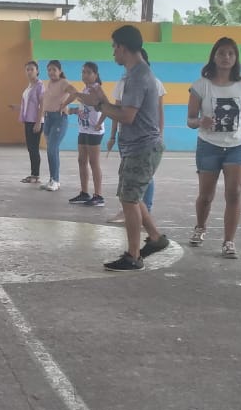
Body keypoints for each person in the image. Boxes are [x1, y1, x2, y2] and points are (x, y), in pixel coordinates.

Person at [77, 25, 171, 271]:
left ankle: (133, 255)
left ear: (122, 47)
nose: (113, 53)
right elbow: (123, 110)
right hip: (138, 147)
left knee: (129, 200)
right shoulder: (136, 74)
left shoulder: (138, 76)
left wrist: (99, 104)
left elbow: (127, 116)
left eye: (114, 47)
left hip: (142, 147)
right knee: (132, 196)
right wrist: (102, 102)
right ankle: (155, 238)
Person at [188, 37, 241, 259]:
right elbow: (190, 119)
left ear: (236, 58)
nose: (226, 57)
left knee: (234, 192)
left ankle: (229, 241)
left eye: (231, 53)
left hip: (236, 146)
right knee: (206, 195)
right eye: (221, 53)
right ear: (214, 56)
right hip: (208, 146)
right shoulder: (201, 85)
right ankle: (200, 227)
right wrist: (200, 121)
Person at [106, 49, 165, 222]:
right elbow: (116, 109)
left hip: (145, 140)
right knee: (128, 180)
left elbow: (159, 111)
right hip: (126, 138)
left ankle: (146, 211)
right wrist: (112, 136)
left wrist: (160, 134)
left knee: (144, 178)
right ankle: (132, 214)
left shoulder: (152, 81)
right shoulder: (123, 82)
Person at [67, 62, 106, 207]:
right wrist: (73, 111)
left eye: (89, 72)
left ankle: (99, 195)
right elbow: (86, 108)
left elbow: (101, 104)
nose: (85, 75)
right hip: (83, 129)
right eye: (83, 72)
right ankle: (84, 193)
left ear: (95, 75)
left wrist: (99, 122)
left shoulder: (97, 89)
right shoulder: (85, 88)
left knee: (93, 162)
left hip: (94, 131)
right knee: (81, 160)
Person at [39, 60, 77, 191]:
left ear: (60, 71)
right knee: (52, 150)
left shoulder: (63, 82)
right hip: (48, 118)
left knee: (52, 149)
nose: (51, 72)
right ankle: (53, 179)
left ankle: (55, 180)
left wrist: (65, 104)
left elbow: (74, 92)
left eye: (54, 69)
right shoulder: (50, 83)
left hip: (59, 119)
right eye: (49, 70)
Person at [12, 61, 43, 184]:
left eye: (32, 69)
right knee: (31, 148)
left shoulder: (40, 85)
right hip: (28, 120)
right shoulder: (29, 86)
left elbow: (42, 105)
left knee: (34, 148)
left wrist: (38, 122)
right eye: (27, 69)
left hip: (35, 121)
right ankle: (33, 174)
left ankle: (36, 175)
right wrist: (18, 107)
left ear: (37, 71)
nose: (29, 72)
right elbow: (30, 105)